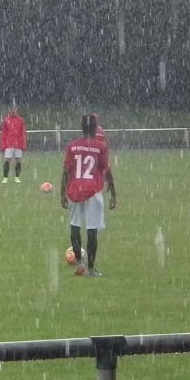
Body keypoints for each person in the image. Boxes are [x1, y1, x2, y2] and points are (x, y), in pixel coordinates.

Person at [61, 113, 117, 277]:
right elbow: (107, 171)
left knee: (75, 226)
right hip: (93, 191)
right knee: (92, 230)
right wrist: (113, 193)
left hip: (75, 189)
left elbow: (66, 171)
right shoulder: (100, 147)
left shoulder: (72, 146)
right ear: (95, 128)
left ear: (81, 128)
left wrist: (62, 194)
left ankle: (80, 264)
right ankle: (91, 269)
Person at [0, 108, 27, 183]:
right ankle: (5, 178)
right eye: (12, 110)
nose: (13, 112)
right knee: (7, 160)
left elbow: (23, 133)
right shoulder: (6, 120)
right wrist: (3, 145)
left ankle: (17, 178)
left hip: (18, 144)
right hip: (9, 144)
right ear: (9, 111)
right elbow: (3, 133)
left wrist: (23, 144)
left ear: (16, 111)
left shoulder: (20, 120)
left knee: (18, 161)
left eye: (14, 110)